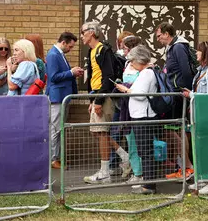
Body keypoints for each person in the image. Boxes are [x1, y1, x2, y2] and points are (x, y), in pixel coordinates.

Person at [80, 21, 130, 184]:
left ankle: (105, 172)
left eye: (83, 32)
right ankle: (125, 157)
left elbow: (107, 77)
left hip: (104, 96)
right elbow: (94, 78)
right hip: (97, 96)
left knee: (102, 132)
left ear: (92, 32)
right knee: (97, 132)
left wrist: (99, 100)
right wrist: (92, 100)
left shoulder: (103, 50)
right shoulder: (92, 51)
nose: (81, 36)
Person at [115, 45, 159, 194]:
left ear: (139, 60)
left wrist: (126, 90)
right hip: (141, 114)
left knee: (145, 152)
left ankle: (148, 186)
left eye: (133, 61)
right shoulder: (146, 72)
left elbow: (139, 95)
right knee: (145, 151)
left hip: (143, 115)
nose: (131, 64)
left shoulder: (146, 73)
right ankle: (148, 184)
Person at [182, 41, 208, 195]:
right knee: (201, 148)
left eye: (199, 51)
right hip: (198, 114)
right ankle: (205, 178)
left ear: (206, 54)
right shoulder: (201, 71)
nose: (196, 54)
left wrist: (191, 94)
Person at [155, 22, 194, 178]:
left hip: (179, 95)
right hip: (176, 94)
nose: (158, 39)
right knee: (176, 129)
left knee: (178, 129)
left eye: (158, 36)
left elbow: (185, 71)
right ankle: (184, 167)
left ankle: (187, 168)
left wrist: (186, 91)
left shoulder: (177, 47)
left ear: (166, 33)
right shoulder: (173, 47)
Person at [45, 32, 84, 169]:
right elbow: (53, 76)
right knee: (55, 129)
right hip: (57, 97)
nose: (70, 49)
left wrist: (72, 73)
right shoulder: (53, 55)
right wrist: (71, 72)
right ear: (64, 42)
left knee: (59, 128)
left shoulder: (58, 54)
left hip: (62, 96)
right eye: (70, 46)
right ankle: (53, 158)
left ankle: (56, 157)